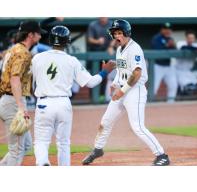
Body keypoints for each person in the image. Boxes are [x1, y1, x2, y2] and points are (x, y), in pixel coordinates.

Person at [82, 19, 170, 166]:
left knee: (138, 126)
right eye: (115, 33)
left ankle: (162, 155)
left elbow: (136, 74)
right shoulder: (119, 49)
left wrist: (121, 91)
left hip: (135, 91)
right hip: (123, 89)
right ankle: (98, 149)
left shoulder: (135, 49)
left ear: (127, 33)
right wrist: (115, 84)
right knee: (105, 121)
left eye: (120, 33)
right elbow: (122, 70)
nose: (117, 36)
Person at [32, 25, 116, 166]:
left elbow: (29, 80)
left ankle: (42, 163)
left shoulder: (37, 58)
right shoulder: (72, 61)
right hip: (64, 103)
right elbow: (90, 83)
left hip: (44, 103)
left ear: (51, 40)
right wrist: (104, 72)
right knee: (64, 143)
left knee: (41, 141)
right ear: (67, 41)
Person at [0, 20, 46, 165]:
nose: (40, 36)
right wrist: (21, 107)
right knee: (17, 149)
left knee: (25, 145)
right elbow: (15, 79)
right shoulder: (23, 53)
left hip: (8, 100)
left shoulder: (13, 49)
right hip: (13, 102)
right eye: (38, 33)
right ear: (30, 35)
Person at [87, 17, 115, 100]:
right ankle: (92, 97)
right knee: (93, 76)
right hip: (94, 54)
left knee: (105, 75)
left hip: (106, 55)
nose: (103, 17)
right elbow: (89, 39)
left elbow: (115, 38)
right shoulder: (93, 25)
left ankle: (102, 96)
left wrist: (111, 46)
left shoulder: (111, 24)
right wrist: (97, 41)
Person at [151, 23, 178, 102]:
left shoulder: (171, 39)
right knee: (154, 87)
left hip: (169, 66)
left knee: (173, 86)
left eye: (169, 29)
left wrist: (173, 46)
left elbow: (175, 51)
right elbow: (157, 50)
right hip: (157, 66)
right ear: (162, 30)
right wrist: (167, 45)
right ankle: (149, 104)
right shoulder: (156, 38)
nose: (167, 31)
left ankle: (170, 104)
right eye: (165, 29)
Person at [176, 30, 197, 94]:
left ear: (195, 39)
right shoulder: (181, 43)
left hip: (189, 71)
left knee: (195, 86)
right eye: (189, 38)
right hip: (178, 71)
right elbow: (184, 47)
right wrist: (196, 49)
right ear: (186, 38)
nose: (190, 40)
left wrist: (196, 48)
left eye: (192, 38)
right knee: (186, 87)